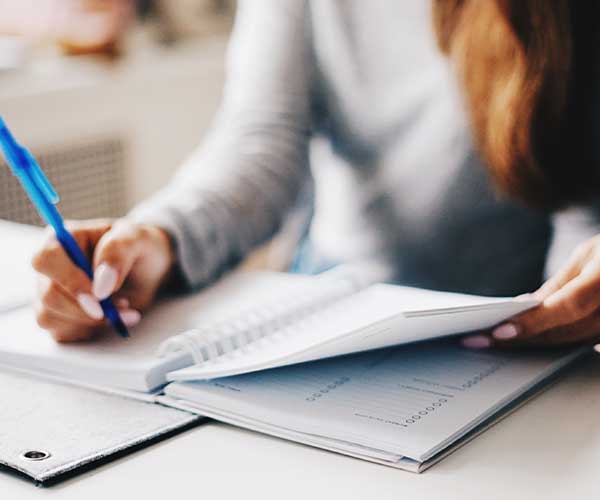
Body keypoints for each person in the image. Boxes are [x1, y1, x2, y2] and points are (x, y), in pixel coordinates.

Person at [31, 1, 600, 351]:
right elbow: (261, 142)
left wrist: (572, 309)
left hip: (515, 330)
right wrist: (158, 239)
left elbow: (583, 198)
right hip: (333, 312)